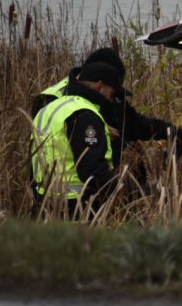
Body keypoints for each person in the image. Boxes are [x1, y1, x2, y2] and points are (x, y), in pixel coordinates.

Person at [32, 47, 182, 166]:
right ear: (101, 84)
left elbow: (133, 124)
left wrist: (170, 131)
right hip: (72, 193)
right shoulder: (52, 99)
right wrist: (103, 129)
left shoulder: (109, 95)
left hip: (110, 184)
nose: (113, 98)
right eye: (113, 90)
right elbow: (44, 147)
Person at [30, 62, 125, 216]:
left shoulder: (52, 108)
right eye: (112, 94)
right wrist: (125, 187)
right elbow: (92, 172)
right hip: (77, 208)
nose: (111, 100)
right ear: (100, 86)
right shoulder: (86, 116)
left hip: (45, 202)